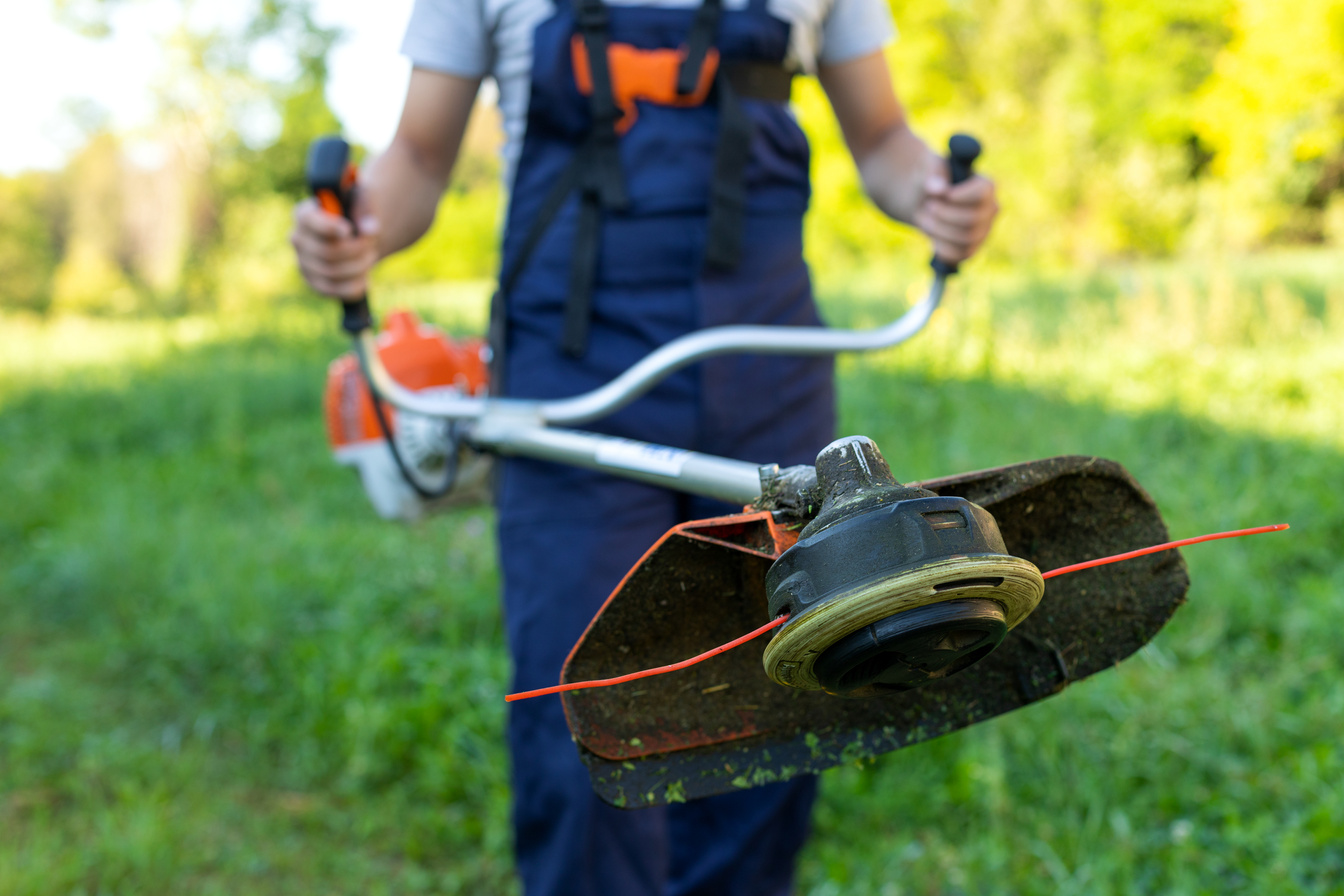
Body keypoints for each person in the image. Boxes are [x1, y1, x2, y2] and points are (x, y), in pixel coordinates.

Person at [290, 0, 998, 892]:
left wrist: (940, 196)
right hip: (567, 384)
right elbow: (419, 159)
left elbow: (888, 142)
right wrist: (355, 233)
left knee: (776, 699)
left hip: (769, 369)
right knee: (580, 708)